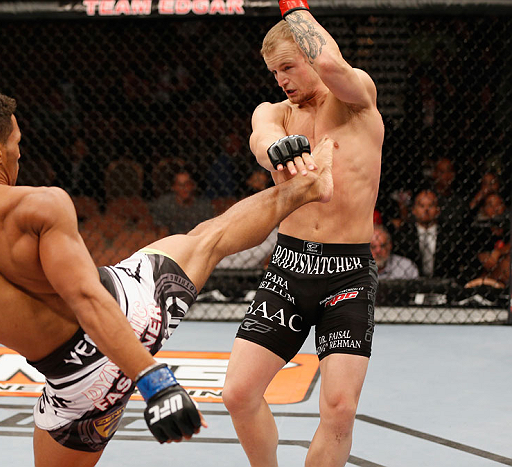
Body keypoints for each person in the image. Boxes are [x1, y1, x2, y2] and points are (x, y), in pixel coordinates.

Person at [0, 87, 336, 467]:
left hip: (77, 384)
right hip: (130, 318)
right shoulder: (37, 205)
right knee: (209, 236)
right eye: (16, 143)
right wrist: (153, 380)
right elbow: (87, 299)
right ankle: (308, 186)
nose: (19, 153)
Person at [221, 3, 384, 467]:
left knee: (339, 409)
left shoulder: (357, 99)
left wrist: (296, 11)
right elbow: (261, 135)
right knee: (237, 393)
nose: (282, 81)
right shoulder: (275, 111)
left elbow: (333, 64)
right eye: (274, 72)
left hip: (347, 272)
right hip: (289, 268)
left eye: (289, 67)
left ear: (312, 56)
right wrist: (274, 149)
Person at [392, 189, 460, 279]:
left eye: (431, 205)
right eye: (421, 206)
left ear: (438, 210)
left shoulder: (451, 235)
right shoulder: (403, 236)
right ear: (413, 210)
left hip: (444, 283)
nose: (426, 210)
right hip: (411, 284)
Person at [149, 168, 215, 234]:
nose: (184, 188)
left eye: (187, 184)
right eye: (180, 185)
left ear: (193, 186)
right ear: (173, 187)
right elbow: (162, 232)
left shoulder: (203, 206)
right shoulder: (165, 203)